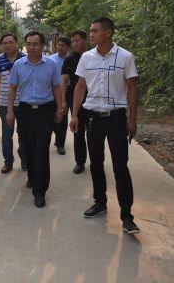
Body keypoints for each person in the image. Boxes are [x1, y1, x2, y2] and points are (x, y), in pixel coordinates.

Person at [70, 17, 140, 234]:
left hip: (116, 118)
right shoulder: (86, 58)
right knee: (96, 163)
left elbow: (132, 88)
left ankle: (127, 216)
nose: (91, 34)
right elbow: (80, 86)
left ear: (108, 33)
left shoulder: (125, 57)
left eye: (95, 31)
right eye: (90, 31)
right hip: (92, 117)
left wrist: (132, 120)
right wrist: (75, 115)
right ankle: (100, 202)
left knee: (120, 166)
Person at [7, 31, 63, 208]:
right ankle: (32, 176)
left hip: (46, 110)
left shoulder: (51, 64)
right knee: (28, 148)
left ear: (42, 46)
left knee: (41, 150)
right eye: (29, 44)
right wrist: (10, 111)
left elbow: (56, 87)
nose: (31, 47)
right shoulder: (18, 65)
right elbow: (13, 88)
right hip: (25, 110)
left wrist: (60, 109)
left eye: (35, 44)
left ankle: (40, 191)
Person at [0, 33, 26, 174]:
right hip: (5, 104)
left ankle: (24, 159)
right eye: (4, 43)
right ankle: (8, 162)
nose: (7, 45)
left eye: (10, 42)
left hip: (23, 103)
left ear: (16, 44)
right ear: (1, 46)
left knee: (23, 134)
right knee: (7, 135)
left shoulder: (25, 58)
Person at [61, 30, 89, 174]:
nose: (74, 44)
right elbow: (64, 81)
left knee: (94, 132)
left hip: (94, 98)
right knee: (78, 130)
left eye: (77, 40)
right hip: (76, 98)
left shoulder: (94, 56)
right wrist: (63, 101)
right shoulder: (69, 59)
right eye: (72, 42)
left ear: (85, 40)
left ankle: (97, 160)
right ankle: (80, 161)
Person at [48, 36, 71, 155]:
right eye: (58, 45)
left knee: (63, 118)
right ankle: (54, 138)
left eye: (63, 45)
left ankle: (60, 143)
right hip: (51, 92)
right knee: (51, 116)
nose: (60, 47)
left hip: (67, 92)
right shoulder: (50, 60)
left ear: (68, 47)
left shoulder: (71, 59)